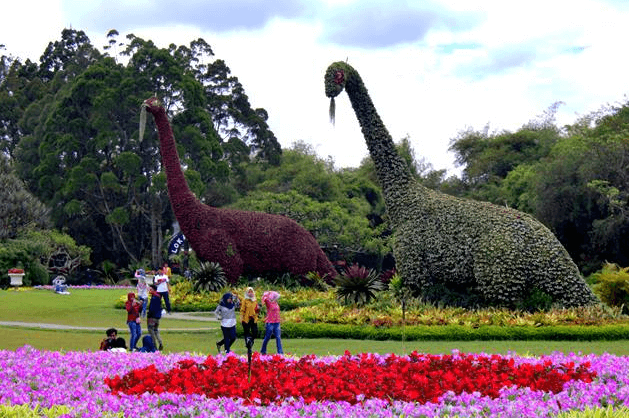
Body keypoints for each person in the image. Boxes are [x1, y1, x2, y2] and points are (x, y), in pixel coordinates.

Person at [260, 291, 283, 355]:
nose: (276, 298)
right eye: (275, 297)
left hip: (277, 322)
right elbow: (264, 298)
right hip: (270, 322)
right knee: (267, 337)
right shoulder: (268, 302)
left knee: (278, 337)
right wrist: (268, 293)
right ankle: (263, 350)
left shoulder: (276, 303)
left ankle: (280, 352)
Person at [147, 284, 164, 351]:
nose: (149, 291)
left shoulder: (154, 298)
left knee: (151, 331)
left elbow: (152, 308)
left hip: (152, 317)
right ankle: (160, 342)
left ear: (153, 290)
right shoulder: (159, 297)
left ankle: (154, 346)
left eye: (150, 289)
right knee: (156, 331)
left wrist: (149, 315)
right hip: (157, 317)